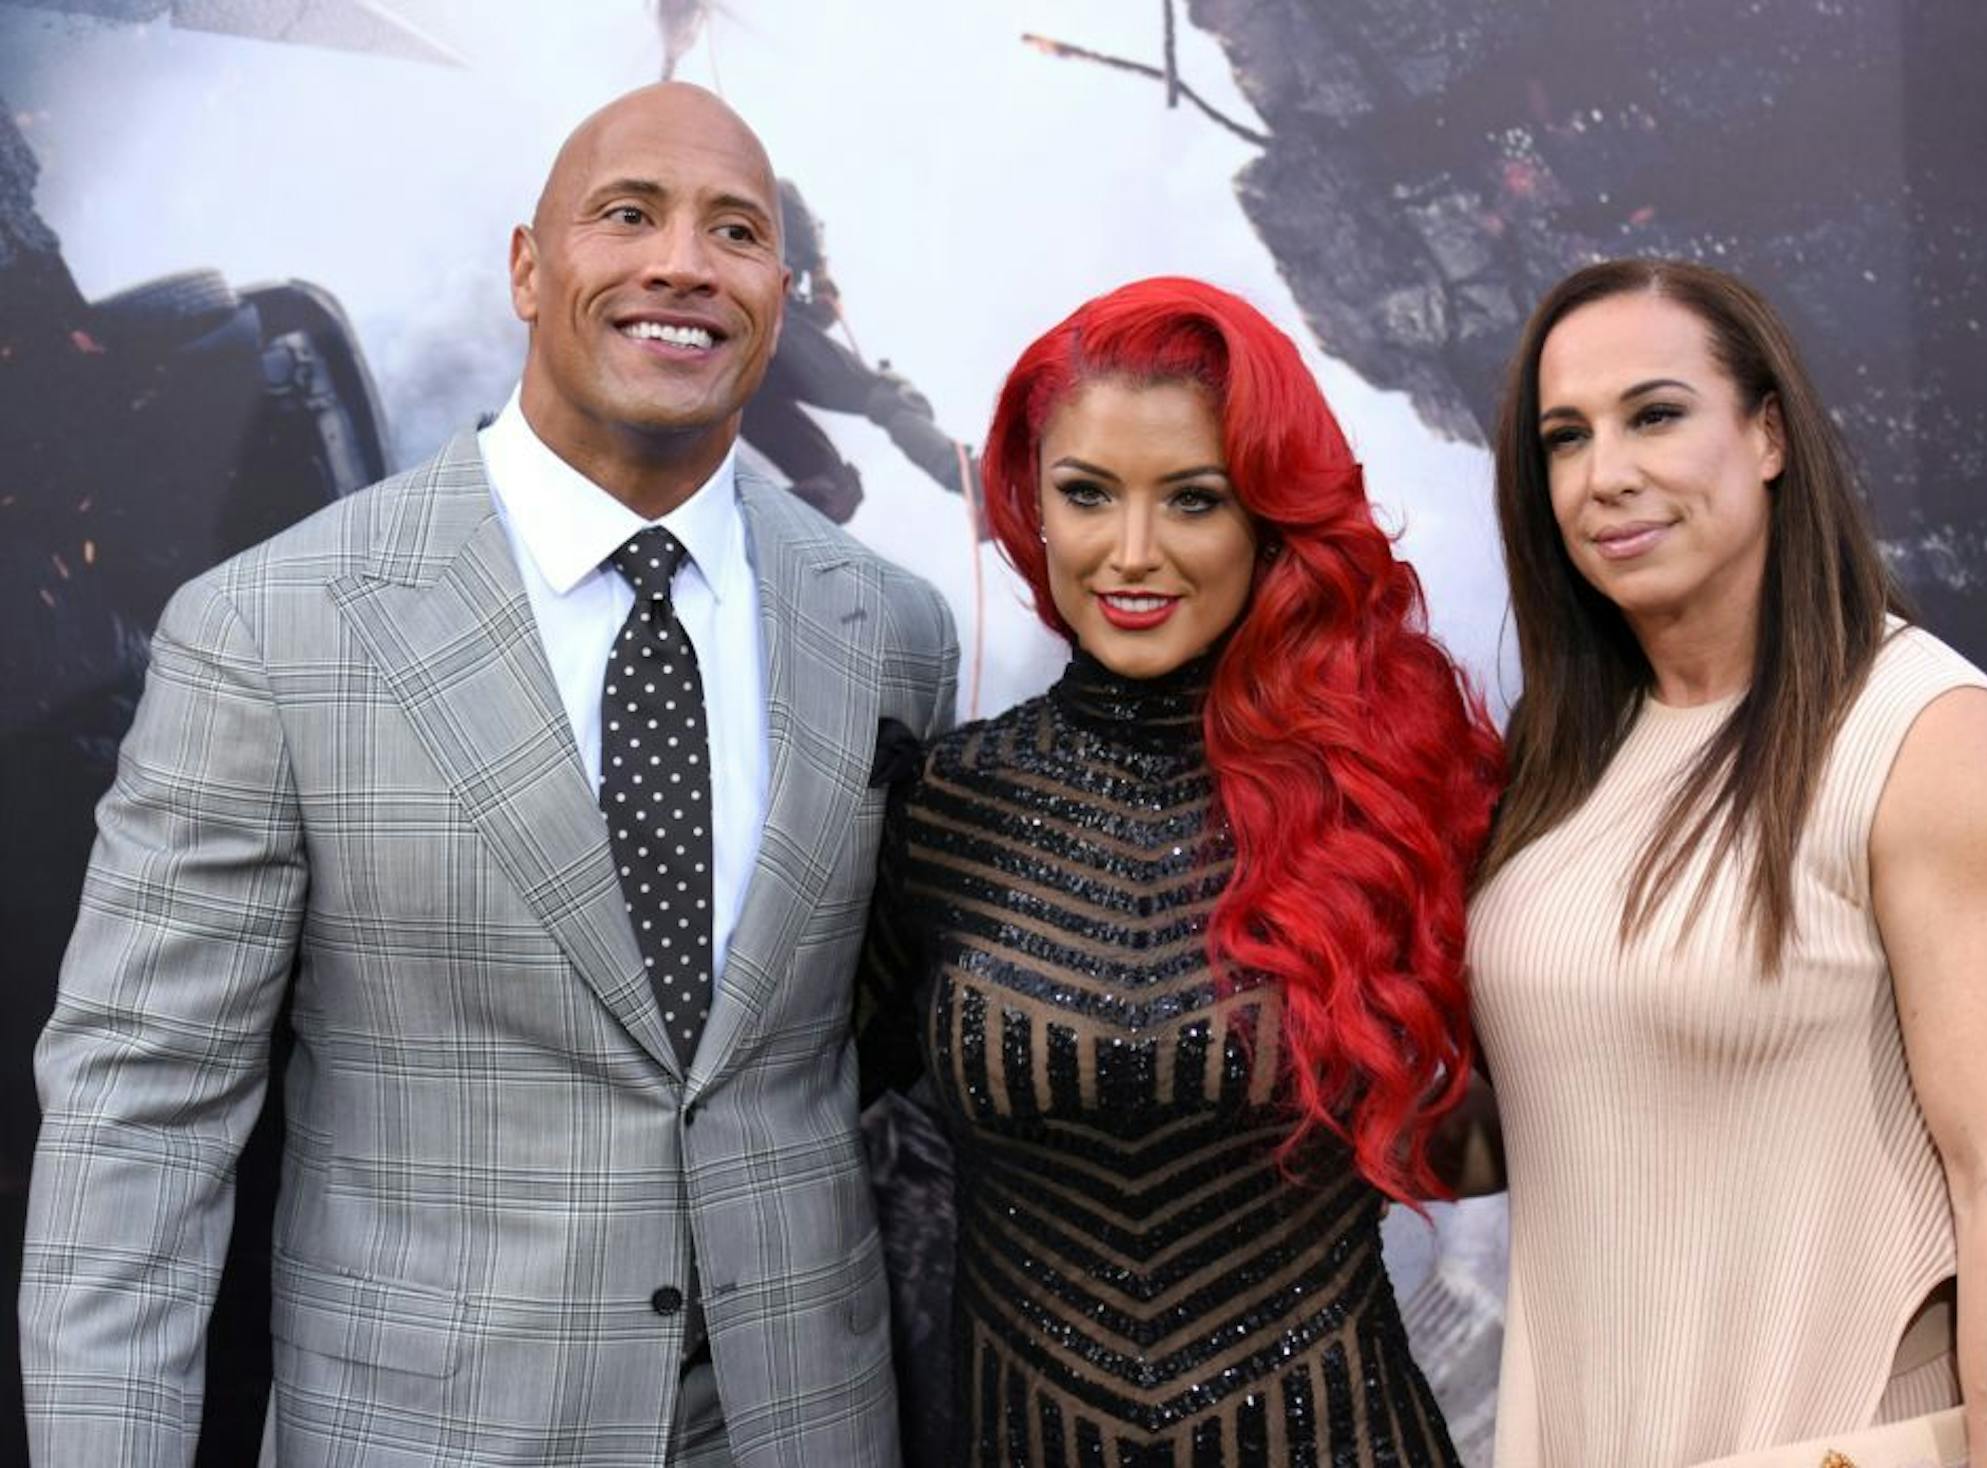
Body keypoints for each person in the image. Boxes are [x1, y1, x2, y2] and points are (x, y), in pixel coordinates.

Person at [20, 82, 955, 1467]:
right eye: (626, 214)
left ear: (777, 290)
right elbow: (140, 1123)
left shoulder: (894, 634)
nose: (682, 262)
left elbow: (855, 1041)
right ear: (527, 266)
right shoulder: (269, 630)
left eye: (735, 231)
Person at [856, 276, 1504, 1466]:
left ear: (1270, 518)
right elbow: (782, 1115)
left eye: (1194, 499)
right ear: (1031, 505)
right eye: (1087, 493)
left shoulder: (1391, 793)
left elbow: (1569, 1119)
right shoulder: (944, 805)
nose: (1132, 552)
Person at [1468, 258, 1987, 1465]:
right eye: (1565, 437)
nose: (1607, 473)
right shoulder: (1558, 755)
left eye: (1656, 414)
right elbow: (1551, 1113)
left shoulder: (1933, 738)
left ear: (1768, 434)